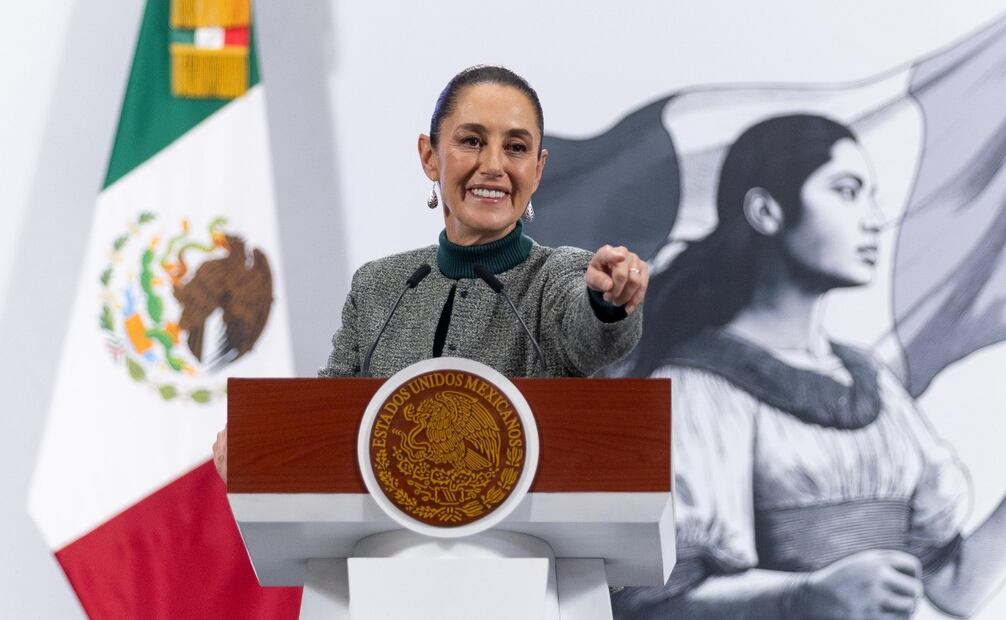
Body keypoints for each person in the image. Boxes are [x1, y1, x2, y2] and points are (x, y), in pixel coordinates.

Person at [611, 114, 1006, 619]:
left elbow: (952, 587)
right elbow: (652, 603)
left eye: (871, 196)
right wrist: (804, 595)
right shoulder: (696, 388)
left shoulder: (874, 384)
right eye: (847, 192)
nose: (874, 219)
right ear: (766, 211)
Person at [213, 65, 648, 478]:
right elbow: (328, 413)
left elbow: (590, 333)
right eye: (472, 141)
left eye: (516, 147)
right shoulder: (378, 287)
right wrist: (262, 446)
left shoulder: (557, 275)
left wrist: (607, 301)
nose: (493, 165)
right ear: (429, 157)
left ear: (537, 170)